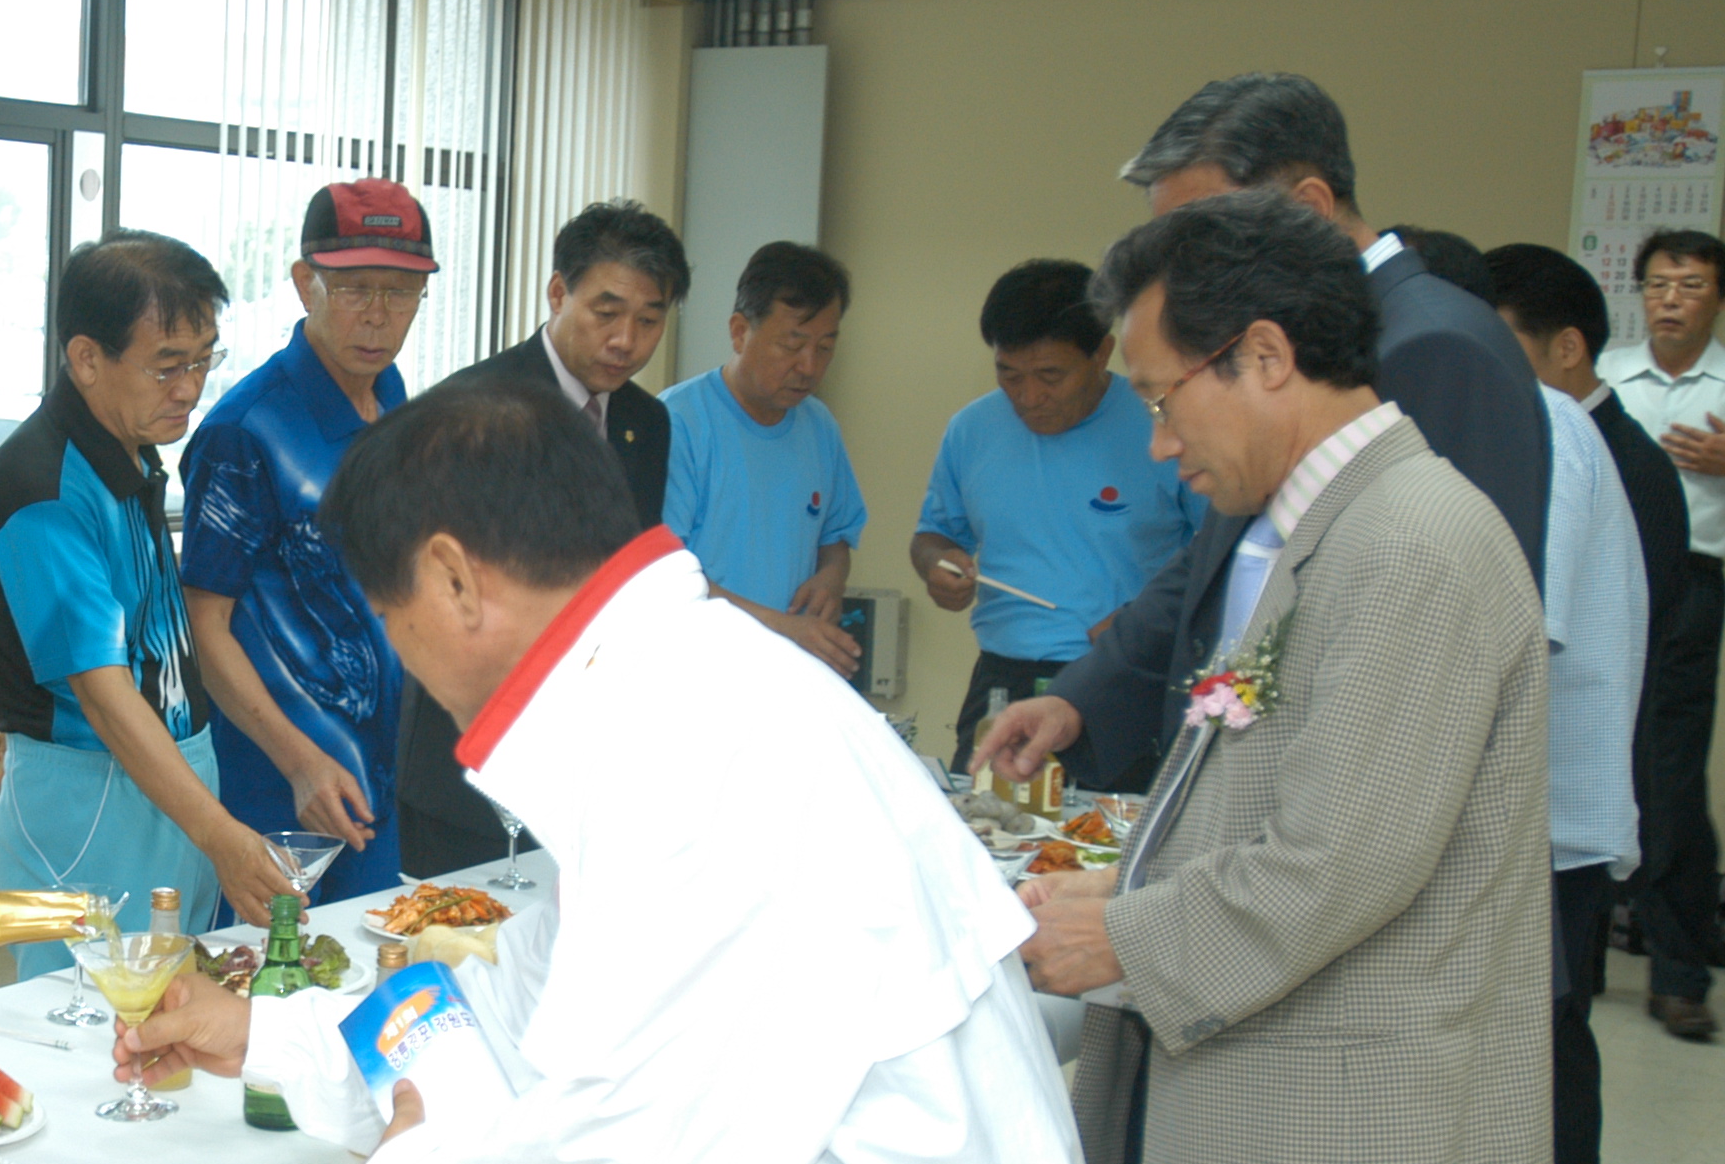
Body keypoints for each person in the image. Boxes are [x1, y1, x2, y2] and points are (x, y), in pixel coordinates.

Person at [117, 381, 1121, 1164]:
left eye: (387, 616)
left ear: (452, 577)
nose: (399, 653)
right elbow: (533, 983)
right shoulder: (678, 692)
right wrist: (270, 1036)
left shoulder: (688, 748)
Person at [1021, 190, 1551, 1164]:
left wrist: (1117, 941)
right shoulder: (1315, 539)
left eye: (1156, 395)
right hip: (1250, 1155)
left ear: (1261, 355)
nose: (1155, 443)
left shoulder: (1411, 549)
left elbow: (1336, 861)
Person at [973, 72, 1552, 793]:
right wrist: (1081, 696)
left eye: (1205, 240)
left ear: (1308, 208)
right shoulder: (1295, 345)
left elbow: (1422, 650)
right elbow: (1222, 558)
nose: (1176, 277)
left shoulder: (1432, 347)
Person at [1435, 274, 1647, 1164]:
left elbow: (1514, 635)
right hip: (1528, 823)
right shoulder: (1536, 420)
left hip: (1540, 836)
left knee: (1505, 1120)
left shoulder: (1540, 430)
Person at [0, 231, 292, 969]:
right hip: (92, 811)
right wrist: (221, 834)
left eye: (204, 359)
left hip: (160, 792)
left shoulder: (130, 449)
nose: (191, 386)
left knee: (174, 1031)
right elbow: (105, 694)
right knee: (87, 1044)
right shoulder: (43, 486)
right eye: (167, 365)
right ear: (86, 358)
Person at [389, 199, 684, 881]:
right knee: (462, 954)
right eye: (606, 312)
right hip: (470, 762)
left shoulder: (648, 422)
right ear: (558, 292)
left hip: (588, 767)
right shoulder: (471, 410)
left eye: (649, 319)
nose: (626, 340)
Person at [179, 180, 433, 902]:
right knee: (269, 991)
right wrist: (298, 763)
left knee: (364, 979)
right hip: (278, 787)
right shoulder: (246, 430)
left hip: (372, 771)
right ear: (304, 283)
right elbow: (206, 625)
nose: (379, 317)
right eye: (355, 289)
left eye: (402, 292)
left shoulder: (390, 396)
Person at [911, 258, 1203, 784]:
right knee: (984, 833)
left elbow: (1217, 557)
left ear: (1102, 353)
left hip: (1123, 675)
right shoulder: (972, 430)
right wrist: (938, 564)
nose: (1028, 397)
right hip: (1004, 678)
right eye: (1009, 374)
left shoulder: (1164, 426)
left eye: (1050, 376)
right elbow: (933, 535)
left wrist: (1142, 623)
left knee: (1111, 846)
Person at [1595, 228, 1725, 1041]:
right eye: (1658, 285)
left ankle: (1681, 973)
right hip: (1607, 582)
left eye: (1691, 286)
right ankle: (1581, 950)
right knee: (1592, 754)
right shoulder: (1603, 378)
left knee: (1670, 772)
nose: (1670, 300)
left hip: (1696, 585)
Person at [662, 242, 868, 676]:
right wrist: (785, 630)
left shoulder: (819, 427)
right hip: (694, 675)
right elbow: (665, 578)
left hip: (788, 678)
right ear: (739, 331)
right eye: (792, 345)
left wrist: (831, 577)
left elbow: (835, 536)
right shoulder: (677, 424)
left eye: (825, 347)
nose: (809, 367)